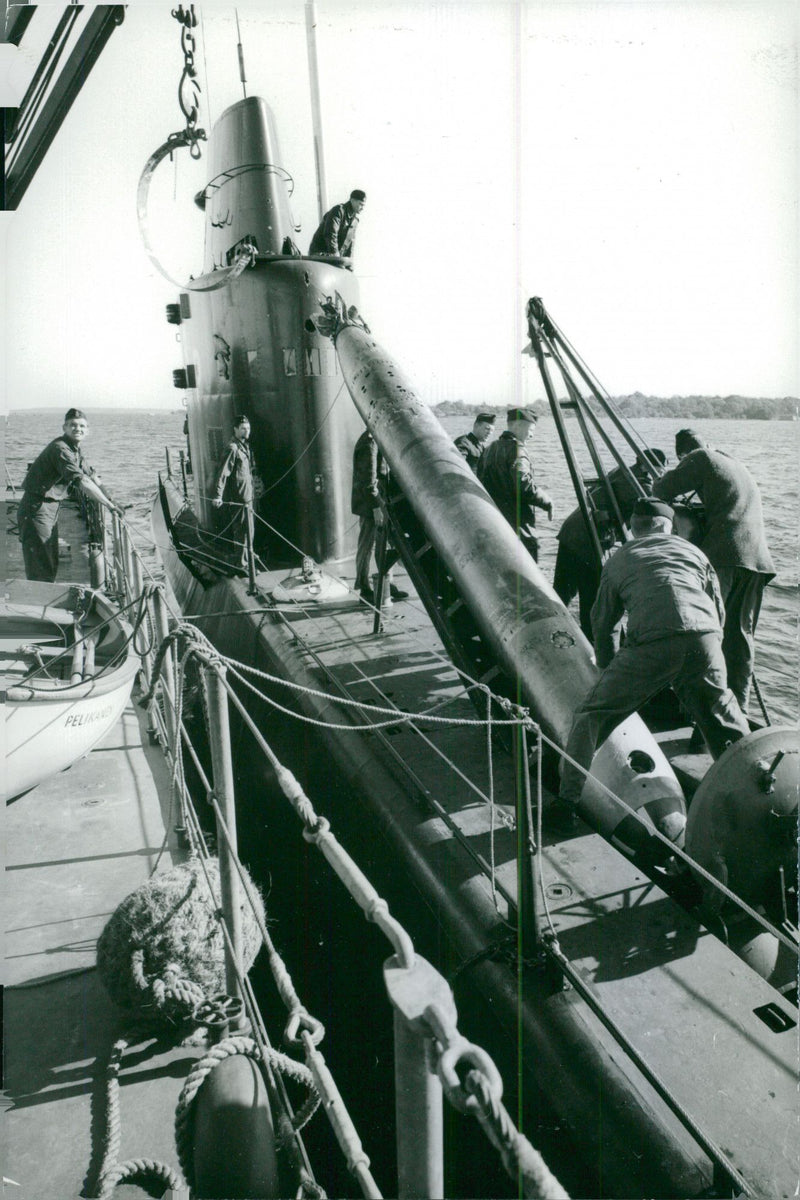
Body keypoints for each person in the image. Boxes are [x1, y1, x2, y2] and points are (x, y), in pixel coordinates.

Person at [558, 497, 750, 814]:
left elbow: (603, 623)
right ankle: (757, 791)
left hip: (652, 645)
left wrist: (608, 669)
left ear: (634, 529)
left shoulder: (620, 558)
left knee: (591, 717)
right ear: (667, 527)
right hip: (705, 639)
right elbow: (718, 613)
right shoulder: (694, 552)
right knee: (722, 717)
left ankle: (566, 801)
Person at [652, 428, 775, 716]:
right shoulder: (733, 462)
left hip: (723, 559)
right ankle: (739, 712)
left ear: (684, 454)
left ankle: (699, 715)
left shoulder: (700, 458)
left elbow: (660, 490)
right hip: (757, 562)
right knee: (740, 639)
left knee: (703, 634)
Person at [553, 451, 666, 639]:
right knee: (595, 596)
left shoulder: (621, 471)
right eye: (659, 469)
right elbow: (653, 510)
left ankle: (552, 630)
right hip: (588, 538)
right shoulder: (640, 484)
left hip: (573, 530)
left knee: (563, 591)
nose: (660, 474)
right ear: (647, 466)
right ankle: (596, 643)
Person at [17, 408, 121, 582]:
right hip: (36, 507)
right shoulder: (61, 449)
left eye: (82, 426)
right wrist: (109, 507)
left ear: (88, 430)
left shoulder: (75, 450)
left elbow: (93, 477)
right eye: (72, 425)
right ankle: (39, 603)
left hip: (51, 507)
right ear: (64, 427)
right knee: (41, 563)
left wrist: (111, 499)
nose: (77, 429)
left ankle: (44, 597)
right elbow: (83, 481)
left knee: (50, 559)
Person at [478, 405, 553, 561]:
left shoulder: (489, 449)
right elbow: (523, 484)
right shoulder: (517, 450)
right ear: (518, 425)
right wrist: (546, 501)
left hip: (495, 523)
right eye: (530, 430)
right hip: (518, 525)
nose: (532, 435)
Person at [351, 429, 408, 606]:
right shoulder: (369, 443)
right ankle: (364, 587)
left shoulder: (378, 439)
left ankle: (386, 584)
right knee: (367, 546)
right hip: (371, 505)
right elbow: (367, 482)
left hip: (381, 502)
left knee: (383, 544)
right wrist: (376, 507)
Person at [211, 415, 255, 574]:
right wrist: (218, 496)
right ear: (235, 429)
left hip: (247, 497)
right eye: (243, 428)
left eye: (248, 428)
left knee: (249, 530)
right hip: (238, 498)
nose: (246, 431)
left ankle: (248, 560)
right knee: (242, 531)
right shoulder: (233, 448)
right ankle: (241, 565)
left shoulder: (244, 447)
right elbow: (223, 473)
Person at [308, 190, 366, 260]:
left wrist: (349, 262)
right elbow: (331, 233)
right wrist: (335, 254)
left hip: (336, 257)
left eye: (363, 205)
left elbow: (350, 243)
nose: (362, 208)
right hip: (320, 252)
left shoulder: (355, 220)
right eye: (360, 204)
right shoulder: (338, 211)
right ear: (352, 200)